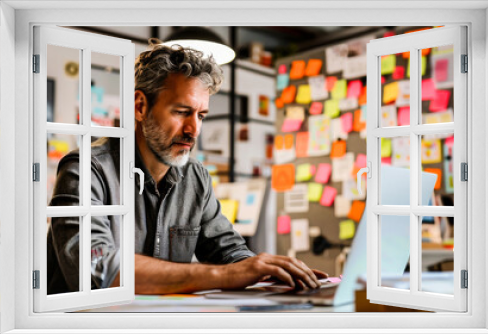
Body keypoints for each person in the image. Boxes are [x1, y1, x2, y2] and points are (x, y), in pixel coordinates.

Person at [47, 41, 327, 295]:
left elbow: (229, 252)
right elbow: (96, 269)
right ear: (140, 106)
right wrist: (226, 274)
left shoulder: (196, 178)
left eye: (201, 115)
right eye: (181, 112)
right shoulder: (86, 170)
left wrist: (271, 272)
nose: (194, 130)